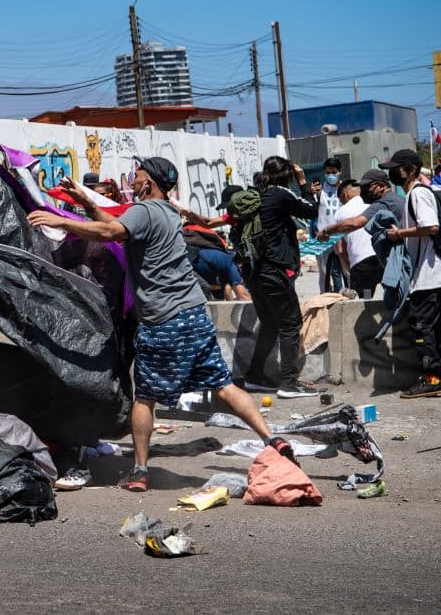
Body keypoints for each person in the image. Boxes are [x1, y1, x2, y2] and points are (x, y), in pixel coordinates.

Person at [27, 157, 290, 492]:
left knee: (145, 398)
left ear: (148, 182)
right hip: (194, 312)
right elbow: (118, 228)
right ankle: (272, 439)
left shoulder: (144, 209)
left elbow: (110, 232)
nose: (132, 181)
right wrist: (88, 205)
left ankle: (139, 471)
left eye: (136, 177)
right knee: (223, 386)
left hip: (164, 319)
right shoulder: (167, 211)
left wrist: (61, 220)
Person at [244, 156, 323, 397]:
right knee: (290, 324)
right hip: (275, 270)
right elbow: (311, 210)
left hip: (254, 271)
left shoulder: (256, 194)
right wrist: (303, 182)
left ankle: (254, 376)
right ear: (286, 175)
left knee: (270, 324)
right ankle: (289, 383)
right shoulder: (279, 193)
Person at [378, 150, 441, 398]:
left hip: (429, 276)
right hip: (428, 276)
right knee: (432, 330)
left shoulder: (418, 194)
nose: (393, 173)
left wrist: (399, 234)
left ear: (412, 170)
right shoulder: (414, 195)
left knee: (422, 328)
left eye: (397, 168)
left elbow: (431, 226)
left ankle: (433, 379)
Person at [318, 168, 404, 241]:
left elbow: (354, 223)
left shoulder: (382, 204)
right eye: (362, 187)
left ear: (381, 186)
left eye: (367, 186)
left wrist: (326, 231)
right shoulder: (399, 198)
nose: (362, 190)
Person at [333, 179, 381, 299]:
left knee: (363, 300)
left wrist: (349, 271)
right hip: (381, 258)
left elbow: (341, 250)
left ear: (344, 195)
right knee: (390, 297)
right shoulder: (372, 206)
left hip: (361, 262)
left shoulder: (340, 213)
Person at [314, 158, 346, 293]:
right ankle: (324, 294)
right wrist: (311, 194)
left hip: (342, 235)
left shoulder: (346, 189)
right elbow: (312, 210)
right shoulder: (319, 190)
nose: (331, 175)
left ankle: (350, 293)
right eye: (328, 173)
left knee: (346, 269)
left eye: (334, 172)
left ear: (340, 172)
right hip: (324, 236)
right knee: (324, 271)